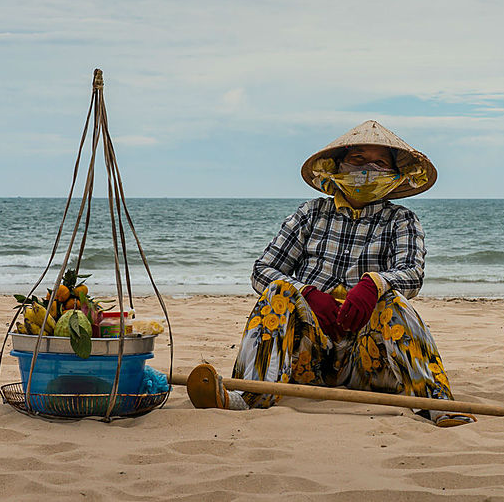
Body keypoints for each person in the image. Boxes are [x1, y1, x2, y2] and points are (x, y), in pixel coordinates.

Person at [187, 120, 475, 427]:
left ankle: (437, 404)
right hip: (307, 359)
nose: (369, 170)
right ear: (338, 167)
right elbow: (262, 271)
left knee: (395, 303)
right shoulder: (310, 213)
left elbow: (412, 274)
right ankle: (248, 396)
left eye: (380, 163)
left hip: (368, 361)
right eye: (359, 160)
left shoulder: (400, 220)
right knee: (277, 293)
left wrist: (375, 284)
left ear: (393, 176)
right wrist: (306, 293)